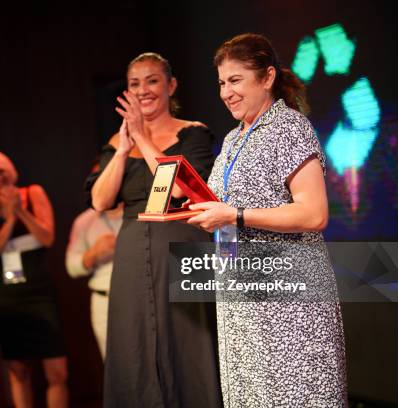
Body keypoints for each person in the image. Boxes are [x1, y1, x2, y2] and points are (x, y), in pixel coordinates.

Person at [187, 33, 347, 406]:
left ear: (268, 76)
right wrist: (204, 213)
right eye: (222, 83)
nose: (226, 92)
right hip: (240, 302)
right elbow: (227, 209)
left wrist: (235, 215)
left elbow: (314, 213)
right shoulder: (231, 139)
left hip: (289, 305)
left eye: (236, 80)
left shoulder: (289, 128)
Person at [87, 52, 222, 407]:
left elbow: (178, 189)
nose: (143, 90)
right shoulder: (117, 144)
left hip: (183, 249)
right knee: (134, 347)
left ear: (171, 85)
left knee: (189, 345)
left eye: (152, 81)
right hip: (132, 253)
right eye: (135, 83)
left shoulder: (191, 133)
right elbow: (100, 201)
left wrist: (143, 140)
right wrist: (122, 150)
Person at [0, 149, 68, 408]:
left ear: (10, 171)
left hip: (39, 290)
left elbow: (47, 237)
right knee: (18, 370)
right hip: (8, 295)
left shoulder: (33, 192)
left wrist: (22, 211)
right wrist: (10, 218)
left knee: (57, 371)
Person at [65, 161, 122, 359]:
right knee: (114, 367)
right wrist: (94, 254)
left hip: (140, 298)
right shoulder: (84, 221)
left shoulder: (141, 213)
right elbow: (71, 267)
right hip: (104, 301)